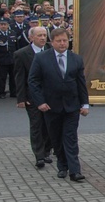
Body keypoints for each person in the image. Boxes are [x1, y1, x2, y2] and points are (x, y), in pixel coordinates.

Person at [28, 28, 90, 181]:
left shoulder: (76, 59)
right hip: (51, 106)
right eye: (59, 41)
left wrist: (85, 104)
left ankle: (75, 170)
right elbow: (33, 81)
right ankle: (62, 166)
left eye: (65, 40)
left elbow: (81, 83)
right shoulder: (42, 58)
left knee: (70, 137)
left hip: (72, 106)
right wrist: (40, 102)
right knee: (56, 138)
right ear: (52, 42)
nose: (62, 44)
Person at [14, 26, 53, 169]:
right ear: (31, 38)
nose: (43, 38)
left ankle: (47, 151)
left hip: (50, 95)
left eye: (44, 35)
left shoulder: (51, 50)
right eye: (39, 36)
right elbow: (19, 77)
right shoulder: (22, 54)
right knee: (36, 125)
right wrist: (21, 98)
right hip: (32, 97)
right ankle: (39, 155)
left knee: (48, 125)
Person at [0, 16, 17, 98]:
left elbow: (16, 47)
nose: (3, 26)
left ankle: (13, 92)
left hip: (12, 59)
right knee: (2, 77)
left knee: (13, 77)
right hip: (1, 59)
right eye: (1, 24)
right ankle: (1, 92)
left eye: (5, 24)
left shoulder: (12, 33)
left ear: (8, 25)